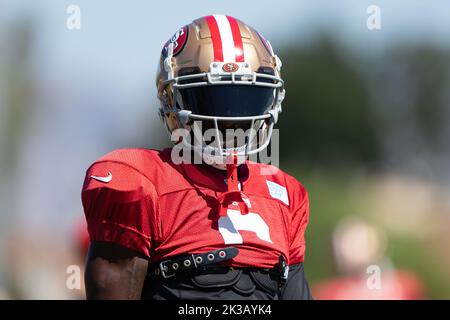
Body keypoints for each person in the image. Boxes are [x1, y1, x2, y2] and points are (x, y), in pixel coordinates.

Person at [81, 15, 312, 300]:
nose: (230, 121)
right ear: (171, 101)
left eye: (247, 100)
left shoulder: (286, 196)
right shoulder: (141, 182)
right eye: (213, 100)